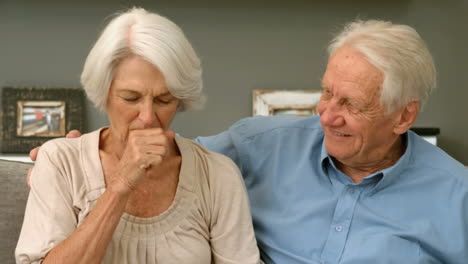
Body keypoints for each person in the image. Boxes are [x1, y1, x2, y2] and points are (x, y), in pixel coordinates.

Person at [28, 19, 468, 263]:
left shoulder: (457, 196)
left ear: (404, 115)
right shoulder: (256, 145)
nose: (327, 115)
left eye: (352, 105)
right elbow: (162, 154)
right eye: (326, 92)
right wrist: (67, 157)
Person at [16, 8, 260, 264]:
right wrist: (119, 187)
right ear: (104, 93)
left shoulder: (217, 175)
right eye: (130, 98)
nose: (147, 117)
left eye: (164, 100)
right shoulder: (61, 161)